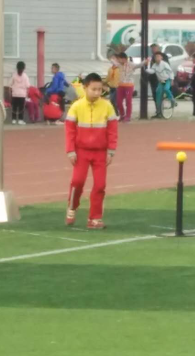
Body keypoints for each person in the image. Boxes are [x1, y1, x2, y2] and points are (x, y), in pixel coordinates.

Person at [64, 73, 118, 229]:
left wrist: (111, 151)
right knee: (77, 182)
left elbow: (113, 131)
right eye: (93, 89)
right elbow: (69, 131)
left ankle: (95, 218)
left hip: (100, 152)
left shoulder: (107, 106)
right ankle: (72, 207)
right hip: (81, 152)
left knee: (100, 185)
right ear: (85, 88)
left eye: (100, 89)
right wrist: (70, 151)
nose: (97, 92)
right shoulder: (76, 106)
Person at [145, 52, 176, 119]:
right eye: (156, 57)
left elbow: (170, 72)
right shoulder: (154, 65)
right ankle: (159, 112)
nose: (157, 58)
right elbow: (152, 71)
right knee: (158, 95)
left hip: (167, 80)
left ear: (161, 57)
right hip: (161, 81)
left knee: (166, 89)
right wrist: (147, 67)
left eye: (158, 56)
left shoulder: (164, 64)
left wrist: (172, 80)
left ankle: (172, 100)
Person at [114, 52, 142, 122]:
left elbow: (138, 65)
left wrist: (145, 61)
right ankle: (122, 115)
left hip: (129, 85)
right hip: (120, 85)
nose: (118, 60)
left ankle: (128, 116)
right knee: (118, 101)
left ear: (124, 59)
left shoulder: (131, 64)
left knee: (128, 101)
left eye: (119, 59)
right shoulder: (118, 65)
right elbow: (112, 61)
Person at [147, 44, 170, 114]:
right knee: (155, 94)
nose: (153, 50)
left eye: (154, 48)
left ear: (158, 48)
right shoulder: (152, 57)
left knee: (160, 93)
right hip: (153, 79)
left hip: (161, 79)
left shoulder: (163, 56)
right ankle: (158, 110)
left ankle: (160, 111)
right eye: (152, 48)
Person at [9, 61, 30, 125]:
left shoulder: (13, 75)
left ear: (17, 67)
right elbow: (28, 86)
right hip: (22, 95)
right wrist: (27, 95)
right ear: (24, 68)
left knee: (14, 107)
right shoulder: (25, 76)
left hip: (14, 94)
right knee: (21, 108)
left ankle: (14, 119)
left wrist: (10, 94)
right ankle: (20, 120)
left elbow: (10, 85)